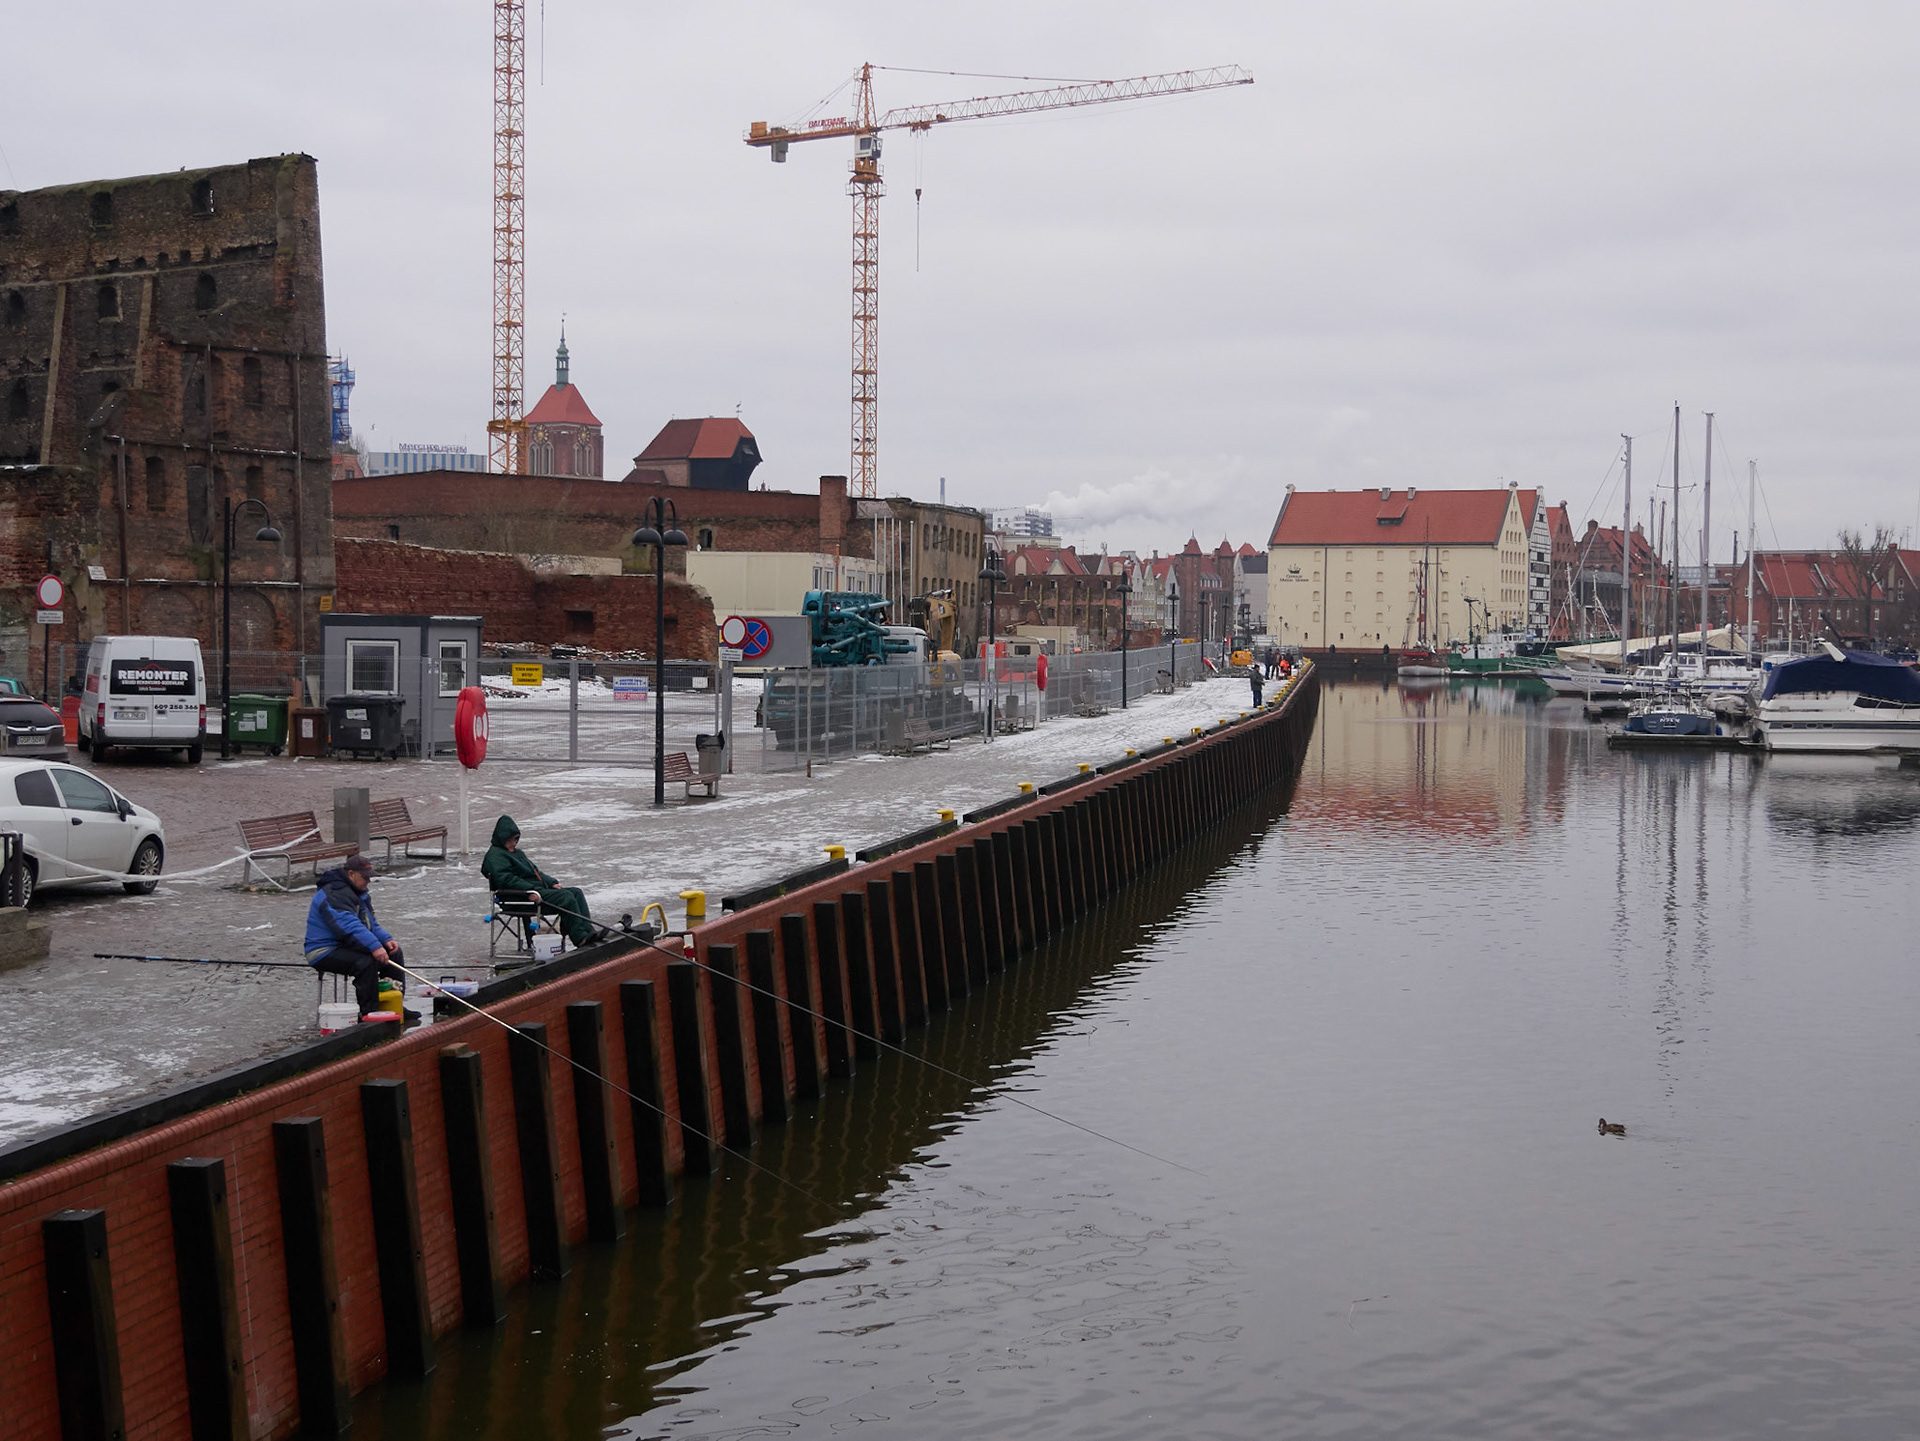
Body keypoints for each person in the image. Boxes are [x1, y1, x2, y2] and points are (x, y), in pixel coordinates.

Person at [305, 854, 415, 1020]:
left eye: (370, 878)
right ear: (351, 874)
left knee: (394, 953)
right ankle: (369, 1015)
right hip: (322, 950)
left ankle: (395, 1005)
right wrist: (374, 946)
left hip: (344, 945)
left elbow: (370, 923)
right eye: (365, 878)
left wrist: (385, 940)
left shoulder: (358, 892)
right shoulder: (334, 893)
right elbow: (348, 926)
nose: (368, 882)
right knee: (365, 963)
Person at [481, 815, 600, 946]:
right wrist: (530, 890)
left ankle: (589, 932)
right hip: (518, 898)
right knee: (565, 897)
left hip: (535, 892)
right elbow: (506, 880)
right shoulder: (495, 856)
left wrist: (551, 882)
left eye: (516, 840)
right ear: (502, 839)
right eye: (511, 840)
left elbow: (535, 872)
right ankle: (580, 938)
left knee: (576, 892)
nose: (514, 843)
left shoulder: (517, 853)